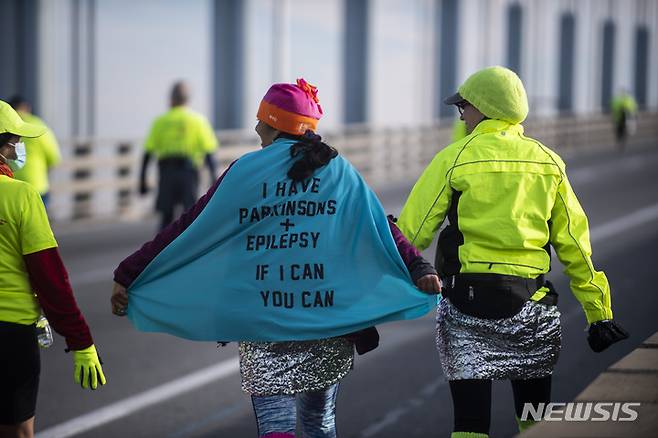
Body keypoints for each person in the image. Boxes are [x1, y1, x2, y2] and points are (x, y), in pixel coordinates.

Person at [111, 79, 441, 438]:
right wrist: (418, 266)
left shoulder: (245, 171)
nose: (255, 128)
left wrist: (130, 272)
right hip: (326, 318)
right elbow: (378, 225)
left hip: (263, 317)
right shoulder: (339, 170)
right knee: (319, 425)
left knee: (276, 429)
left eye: (261, 120)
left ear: (275, 124)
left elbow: (188, 227)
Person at [397, 66, 629, 438]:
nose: (462, 116)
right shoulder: (547, 162)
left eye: (464, 108)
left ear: (482, 109)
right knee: (535, 420)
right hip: (532, 309)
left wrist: (371, 295)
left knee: (469, 425)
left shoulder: (453, 158)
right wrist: (599, 313)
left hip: (464, 308)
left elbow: (410, 234)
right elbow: (575, 246)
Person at [0, 100, 106, 438]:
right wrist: (80, 341)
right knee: (17, 430)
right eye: (15, 142)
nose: (18, 148)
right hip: (11, 332)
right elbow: (50, 279)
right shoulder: (20, 196)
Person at [140, 81, 219, 230]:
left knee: (166, 217)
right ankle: (190, 251)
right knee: (190, 217)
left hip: (166, 173)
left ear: (171, 98)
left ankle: (162, 251)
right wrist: (214, 178)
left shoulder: (160, 121)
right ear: (187, 99)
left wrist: (142, 181)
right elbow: (209, 152)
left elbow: (148, 153)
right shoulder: (198, 121)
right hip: (188, 173)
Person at [8, 95, 61, 210]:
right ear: (27, 107)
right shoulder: (38, 125)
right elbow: (54, 156)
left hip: (10, 185)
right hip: (36, 184)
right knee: (37, 223)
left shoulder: (6, 125)